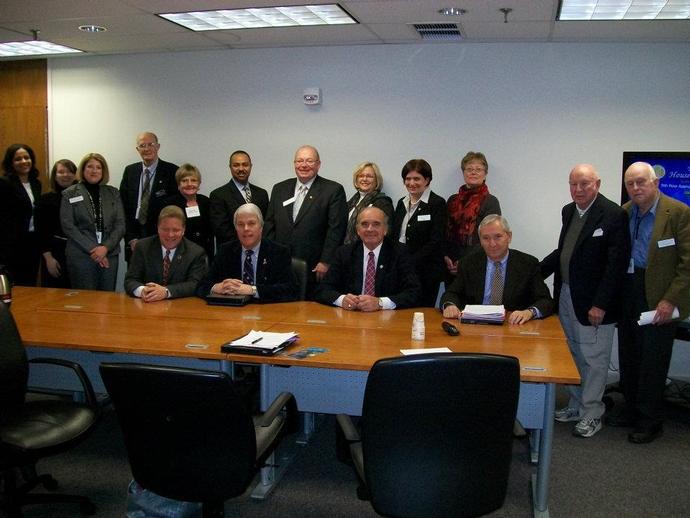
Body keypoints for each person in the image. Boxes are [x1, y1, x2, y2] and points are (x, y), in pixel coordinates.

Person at [540, 163, 630, 438]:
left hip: (595, 302)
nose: (578, 189)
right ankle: (576, 405)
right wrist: (532, 272)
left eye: (584, 184)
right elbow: (564, 251)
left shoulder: (613, 214)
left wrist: (601, 304)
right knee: (573, 354)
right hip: (567, 293)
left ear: (598, 184)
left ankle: (592, 413)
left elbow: (616, 265)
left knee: (594, 358)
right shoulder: (569, 211)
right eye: (573, 184)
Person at [608, 162, 690, 443]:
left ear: (655, 183)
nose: (635, 188)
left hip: (659, 294)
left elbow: (687, 265)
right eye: (630, 184)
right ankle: (631, 409)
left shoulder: (678, 212)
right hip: (629, 290)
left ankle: (650, 419)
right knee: (629, 354)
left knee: (652, 361)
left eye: (641, 182)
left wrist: (670, 300)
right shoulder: (626, 212)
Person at [264, 145, 347, 299]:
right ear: (294, 164)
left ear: (318, 164)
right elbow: (269, 225)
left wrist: (326, 261)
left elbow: (336, 229)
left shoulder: (333, 190)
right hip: (281, 263)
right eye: (299, 161)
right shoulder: (279, 188)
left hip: (314, 266)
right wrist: (268, 257)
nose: (303, 165)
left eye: (309, 161)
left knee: (309, 310)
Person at [441, 214, 554, 324]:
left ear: (509, 237)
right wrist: (450, 305)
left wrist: (529, 312)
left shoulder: (528, 264)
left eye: (498, 237)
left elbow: (546, 301)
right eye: (486, 238)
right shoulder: (469, 263)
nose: (492, 244)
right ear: (480, 240)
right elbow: (451, 293)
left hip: (512, 326)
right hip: (476, 325)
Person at [316, 206, 420, 310]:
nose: (370, 229)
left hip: (387, 319)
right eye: (364, 224)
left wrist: (380, 303)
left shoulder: (400, 252)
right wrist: (342, 299)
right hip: (350, 317)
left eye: (376, 224)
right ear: (358, 230)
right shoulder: (344, 253)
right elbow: (323, 290)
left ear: (385, 229)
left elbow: (414, 292)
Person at [197, 203, 295, 302]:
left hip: (266, 312)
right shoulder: (225, 251)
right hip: (232, 313)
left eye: (251, 223)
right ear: (235, 228)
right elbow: (201, 286)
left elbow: (291, 290)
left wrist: (252, 290)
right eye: (240, 224)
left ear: (261, 227)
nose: (246, 229)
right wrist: (216, 287)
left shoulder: (278, 252)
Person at [61, 153, 125, 291]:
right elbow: (68, 226)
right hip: (81, 254)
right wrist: (94, 250)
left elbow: (120, 225)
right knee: (84, 300)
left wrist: (105, 248)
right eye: (90, 166)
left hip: (109, 253)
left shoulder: (113, 193)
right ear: (83, 170)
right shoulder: (70, 194)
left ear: (103, 171)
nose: (94, 170)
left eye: (98, 167)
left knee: (107, 300)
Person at [392, 159, 447, 307]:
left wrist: (410, 261)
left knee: (422, 313)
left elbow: (436, 240)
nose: (411, 183)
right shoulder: (401, 203)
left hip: (426, 271)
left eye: (417, 178)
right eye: (408, 179)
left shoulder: (437, 203)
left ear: (427, 180)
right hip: (402, 269)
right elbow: (395, 235)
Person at [125, 205, 208, 301]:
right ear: (158, 228)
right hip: (146, 306)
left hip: (180, 307)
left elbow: (195, 284)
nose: (170, 235)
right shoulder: (142, 247)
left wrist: (166, 292)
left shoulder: (196, 252)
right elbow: (130, 280)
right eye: (165, 229)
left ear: (183, 230)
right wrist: (142, 290)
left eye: (176, 230)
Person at [120, 132, 178, 261]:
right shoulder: (130, 171)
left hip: (160, 236)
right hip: (134, 234)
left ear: (158, 147)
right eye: (142, 145)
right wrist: (131, 238)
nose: (146, 149)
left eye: (151, 144)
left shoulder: (171, 171)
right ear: (137, 149)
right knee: (135, 279)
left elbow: (174, 209)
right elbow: (122, 207)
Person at [444, 151, 501, 282]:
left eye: (478, 169)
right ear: (463, 173)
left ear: (485, 174)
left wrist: (464, 262)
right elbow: (443, 232)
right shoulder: (452, 200)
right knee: (450, 301)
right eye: (469, 169)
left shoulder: (490, 201)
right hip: (450, 265)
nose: (473, 172)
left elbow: (490, 237)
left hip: (477, 264)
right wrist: (446, 257)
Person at [149, 164, 214, 260]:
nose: (189, 184)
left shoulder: (206, 202)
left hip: (204, 254)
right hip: (178, 256)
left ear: (199, 184)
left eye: (193, 180)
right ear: (178, 185)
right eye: (184, 181)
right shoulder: (169, 204)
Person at [0, 143, 42, 286]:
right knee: (14, 287)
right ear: (11, 163)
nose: (24, 161)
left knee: (29, 285)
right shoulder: (4, 184)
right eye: (18, 159)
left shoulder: (36, 184)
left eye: (26, 157)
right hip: (12, 245)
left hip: (32, 243)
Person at [209, 150, 269, 247]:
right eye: (236, 165)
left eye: (245, 165)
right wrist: (248, 244)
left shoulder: (262, 194)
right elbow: (221, 230)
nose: (241, 168)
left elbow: (266, 224)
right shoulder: (218, 195)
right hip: (232, 252)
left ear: (251, 166)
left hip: (260, 251)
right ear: (230, 167)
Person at [35, 159, 77, 288]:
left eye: (70, 171)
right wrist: (48, 258)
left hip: (77, 250)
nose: (66, 175)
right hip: (54, 253)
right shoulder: (45, 200)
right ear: (54, 175)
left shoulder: (82, 199)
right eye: (61, 172)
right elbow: (40, 232)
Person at [343, 162, 394, 244]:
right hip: (347, 251)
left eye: (369, 176)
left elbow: (387, 233)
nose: (364, 179)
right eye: (361, 176)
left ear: (377, 180)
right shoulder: (352, 202)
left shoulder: (383, 203)